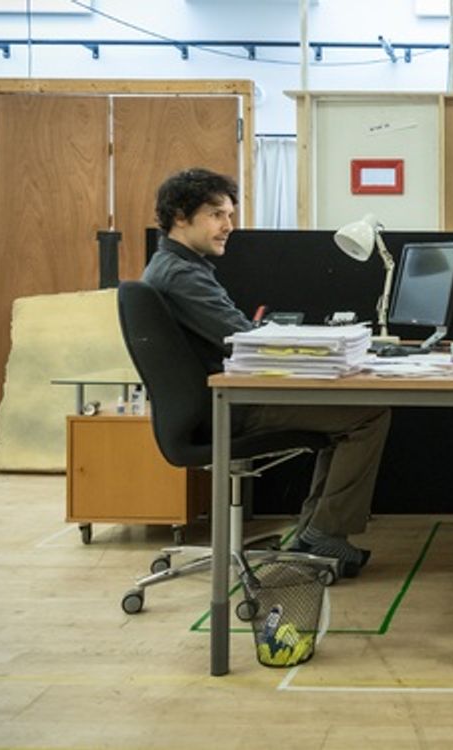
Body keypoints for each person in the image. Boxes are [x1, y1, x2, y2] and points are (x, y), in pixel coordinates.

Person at [142, 167, 391, 579]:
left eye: (230, 215)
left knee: (349, 410)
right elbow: (240, 337)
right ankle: (324, 533)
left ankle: (317, 531)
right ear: (180, 217)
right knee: (368, 413)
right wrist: (320, 348)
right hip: (229, 408)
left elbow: (234, 333)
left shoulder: (174, 266)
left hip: (218, 401)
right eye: (217, 215)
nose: (228, 226)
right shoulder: (182, 274)